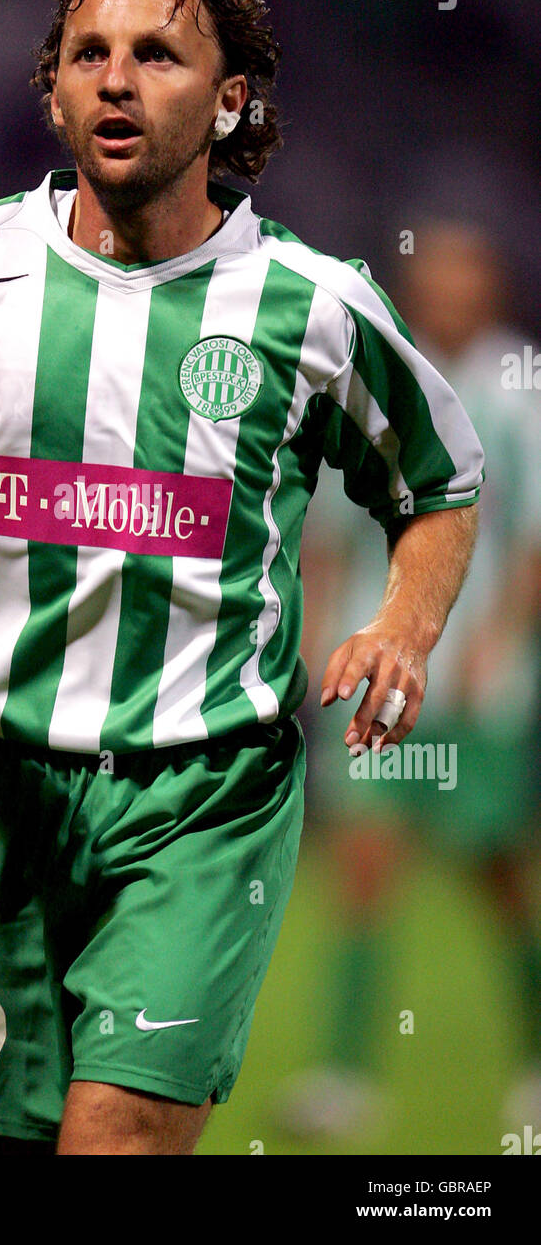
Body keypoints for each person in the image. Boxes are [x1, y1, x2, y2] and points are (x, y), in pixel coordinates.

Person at [0, 0, 484, 1156]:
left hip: (204, 791)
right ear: (54, 95)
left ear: (229, 101)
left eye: (156, 54)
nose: (115, 76)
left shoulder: (310, 305)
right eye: (87, 53)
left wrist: (403, 624)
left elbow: (436, 484)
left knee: (115, 1138)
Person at [273, 220, 541, 1143]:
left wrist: (498, 641)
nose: (453, 288)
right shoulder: (383, 371)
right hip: (379, 679)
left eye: (471, 270)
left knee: (501, 876)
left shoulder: (519, 386)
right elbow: (331, 528)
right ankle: (346, 1079)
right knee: (364, 872)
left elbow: (534, 537)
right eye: (440, 271)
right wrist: (314, 631)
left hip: (481, 686)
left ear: (493, 284)